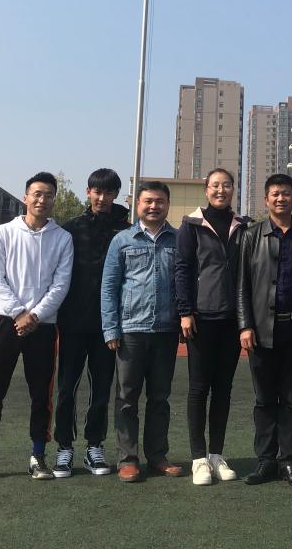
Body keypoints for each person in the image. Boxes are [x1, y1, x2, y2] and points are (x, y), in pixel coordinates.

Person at [0, 172, 74, 483]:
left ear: (54, 199)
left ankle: (38, 456)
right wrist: (20, 313)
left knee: (41, 394)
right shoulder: (4, 233)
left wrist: (34, 316)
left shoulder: (62, 238)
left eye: (48, 195)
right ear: (26, 197)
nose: (42, 200)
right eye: (37, 194)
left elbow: (61, 285)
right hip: (5, 323)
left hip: (43, 327)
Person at [236, 173, 292, 488]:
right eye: (275, 194)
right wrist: (245, 324)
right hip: (261, 329)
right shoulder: (251, 236)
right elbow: (241, 285)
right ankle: (265, 460)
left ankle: (289, 460)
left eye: (286, 193)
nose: (281, 198)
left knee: (291, 399)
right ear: (266, 199)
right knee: (264, 399)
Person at [101, 180, 184, 482]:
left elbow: (186, 283)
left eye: (159, 201)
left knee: (160, 398)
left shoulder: (179, 240)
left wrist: (184, 319)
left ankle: (157, 456)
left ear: (167, 205)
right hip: (131, 330)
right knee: (126, 398)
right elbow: (109, 287)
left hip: (166, 330)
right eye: (148, 201)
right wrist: (111, 328)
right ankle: (127, 459)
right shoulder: (122, 240)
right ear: (138, 204)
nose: (154, 206)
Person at [175, 168, 251, 486]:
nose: (221, 190)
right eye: (215, 185)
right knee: (198, 389)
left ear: (233, 189)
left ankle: (216, 455)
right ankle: (198, 458)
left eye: (227, 185)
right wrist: (185, 312)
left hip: (232, 320)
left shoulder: (243, 226)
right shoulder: (191, 225)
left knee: (223, 389)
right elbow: (182, 269)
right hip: (201, 319)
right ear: (206, 189)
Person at [52, 168, 129, 478]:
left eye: (108, 192)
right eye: (97, 191)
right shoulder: (69, 230)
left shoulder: (125, 232)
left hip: (108, 327)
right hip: (72, 323)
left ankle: (94, 446)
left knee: (101, 390)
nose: (102, 197)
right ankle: (64, 447)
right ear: (88, 192)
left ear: (116, 195)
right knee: (66, 388)